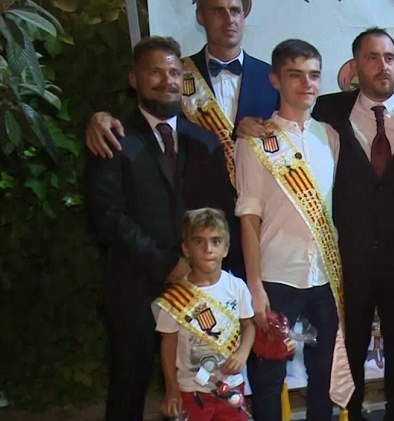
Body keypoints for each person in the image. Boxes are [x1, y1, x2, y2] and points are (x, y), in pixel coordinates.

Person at [85, 36, 223, 421]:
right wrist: (165, 263)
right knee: (128, 390)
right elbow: (108, 217)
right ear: (134, 78)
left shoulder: (204, 141)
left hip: (195, 291)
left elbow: (218, 212)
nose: (166, 81)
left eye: (173, 73)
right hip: (135, 290)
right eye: (155, 72)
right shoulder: (112, 138)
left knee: (192, 386)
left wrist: (203, 266)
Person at [235, 39, 353, 421]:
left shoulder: (330, 137)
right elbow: (248, 218)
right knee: (269, 376)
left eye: (313, 74)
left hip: (324, 275)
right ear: (275, 79)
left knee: (323, 371)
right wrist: (255, 287)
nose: (306, 83)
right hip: (276, 275)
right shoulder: (254, 142)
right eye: (295, 74)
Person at [85, 0, 279, 281]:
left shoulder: (271, 79)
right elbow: (108, 214)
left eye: (235, 10)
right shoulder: (119, 135)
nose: (228, 19)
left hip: (239, 253)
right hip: (143, 276)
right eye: (217, 10)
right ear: (200, 15)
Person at [312, 27, 394, 421]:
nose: (382, 66)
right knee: (350, 350)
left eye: (389, 57)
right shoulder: (326, 110)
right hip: (350, 259)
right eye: (372, 58)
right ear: (355, 66)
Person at [154, 208, 255, 421]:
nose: (208, 249)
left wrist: (242, 353)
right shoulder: (176, 298)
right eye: (199, 242)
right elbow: (168, 345)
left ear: (226, 247)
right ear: (186, 248)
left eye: (215, 241)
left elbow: (249, 327)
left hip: (230, 386)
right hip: (191, 389)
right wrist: (172, 388)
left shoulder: (237, 287)